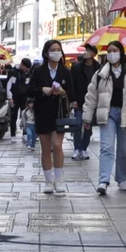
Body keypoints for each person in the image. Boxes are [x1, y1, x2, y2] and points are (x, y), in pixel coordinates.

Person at [81, 40, 126, 195]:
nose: (112, 53)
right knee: (106, 148)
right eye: (109, 50)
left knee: (124, 149)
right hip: (108, 114)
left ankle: (121, 178)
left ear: (121, 53)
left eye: (115, 50)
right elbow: (91, 97)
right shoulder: (100, 74)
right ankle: (103, 181)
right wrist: (87, 118)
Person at [28, 39, 77, 193]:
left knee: (57, 145)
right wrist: (43, 89)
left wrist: (63, 92)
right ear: (46, 53)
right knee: (45, 148)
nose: (56, 52)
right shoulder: (38, 71)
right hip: (42, 112)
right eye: (53, 49)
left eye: (58, 49)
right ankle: (48, 181)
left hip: (59, 113)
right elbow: (29, 90)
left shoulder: (66, 72)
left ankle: (58, 179)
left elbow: (72, 93)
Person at [69, 43, 99, 159]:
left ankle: (84, 148)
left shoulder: (99, 68)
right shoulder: (76, 67)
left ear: (93, 54)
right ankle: (77, 149)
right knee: (77, 124)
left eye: (88, 50)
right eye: (85, 50)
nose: (86, 52)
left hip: (92, 103)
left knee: (88, 127)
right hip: (79, 101)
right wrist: (73, 99)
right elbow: (72, 85)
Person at [10, 58, 33, 142]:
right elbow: (9, 86)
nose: (27, 70)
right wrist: (10, 98)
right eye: (26, 67)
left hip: (24, 98)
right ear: (22, 64)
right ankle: (13, 134)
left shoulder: (27, 74)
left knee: (25, 116)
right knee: (14, 116)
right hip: (15, 97)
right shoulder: (13, 72)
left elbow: (28, 85)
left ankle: (25, 134)